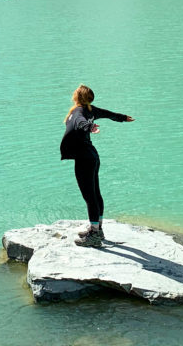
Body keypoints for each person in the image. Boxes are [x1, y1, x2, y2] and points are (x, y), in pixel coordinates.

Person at [59, 84, 134, 248]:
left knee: (90, 196)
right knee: (95, 193)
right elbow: (108, 114)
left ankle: (94, 234)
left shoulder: (79, 112)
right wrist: (122, 117)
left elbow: (80, 122)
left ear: (77, 97)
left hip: (84, 158)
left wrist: (89, 127)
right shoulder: (90, 109)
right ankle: (97, 228)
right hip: (91, 156)